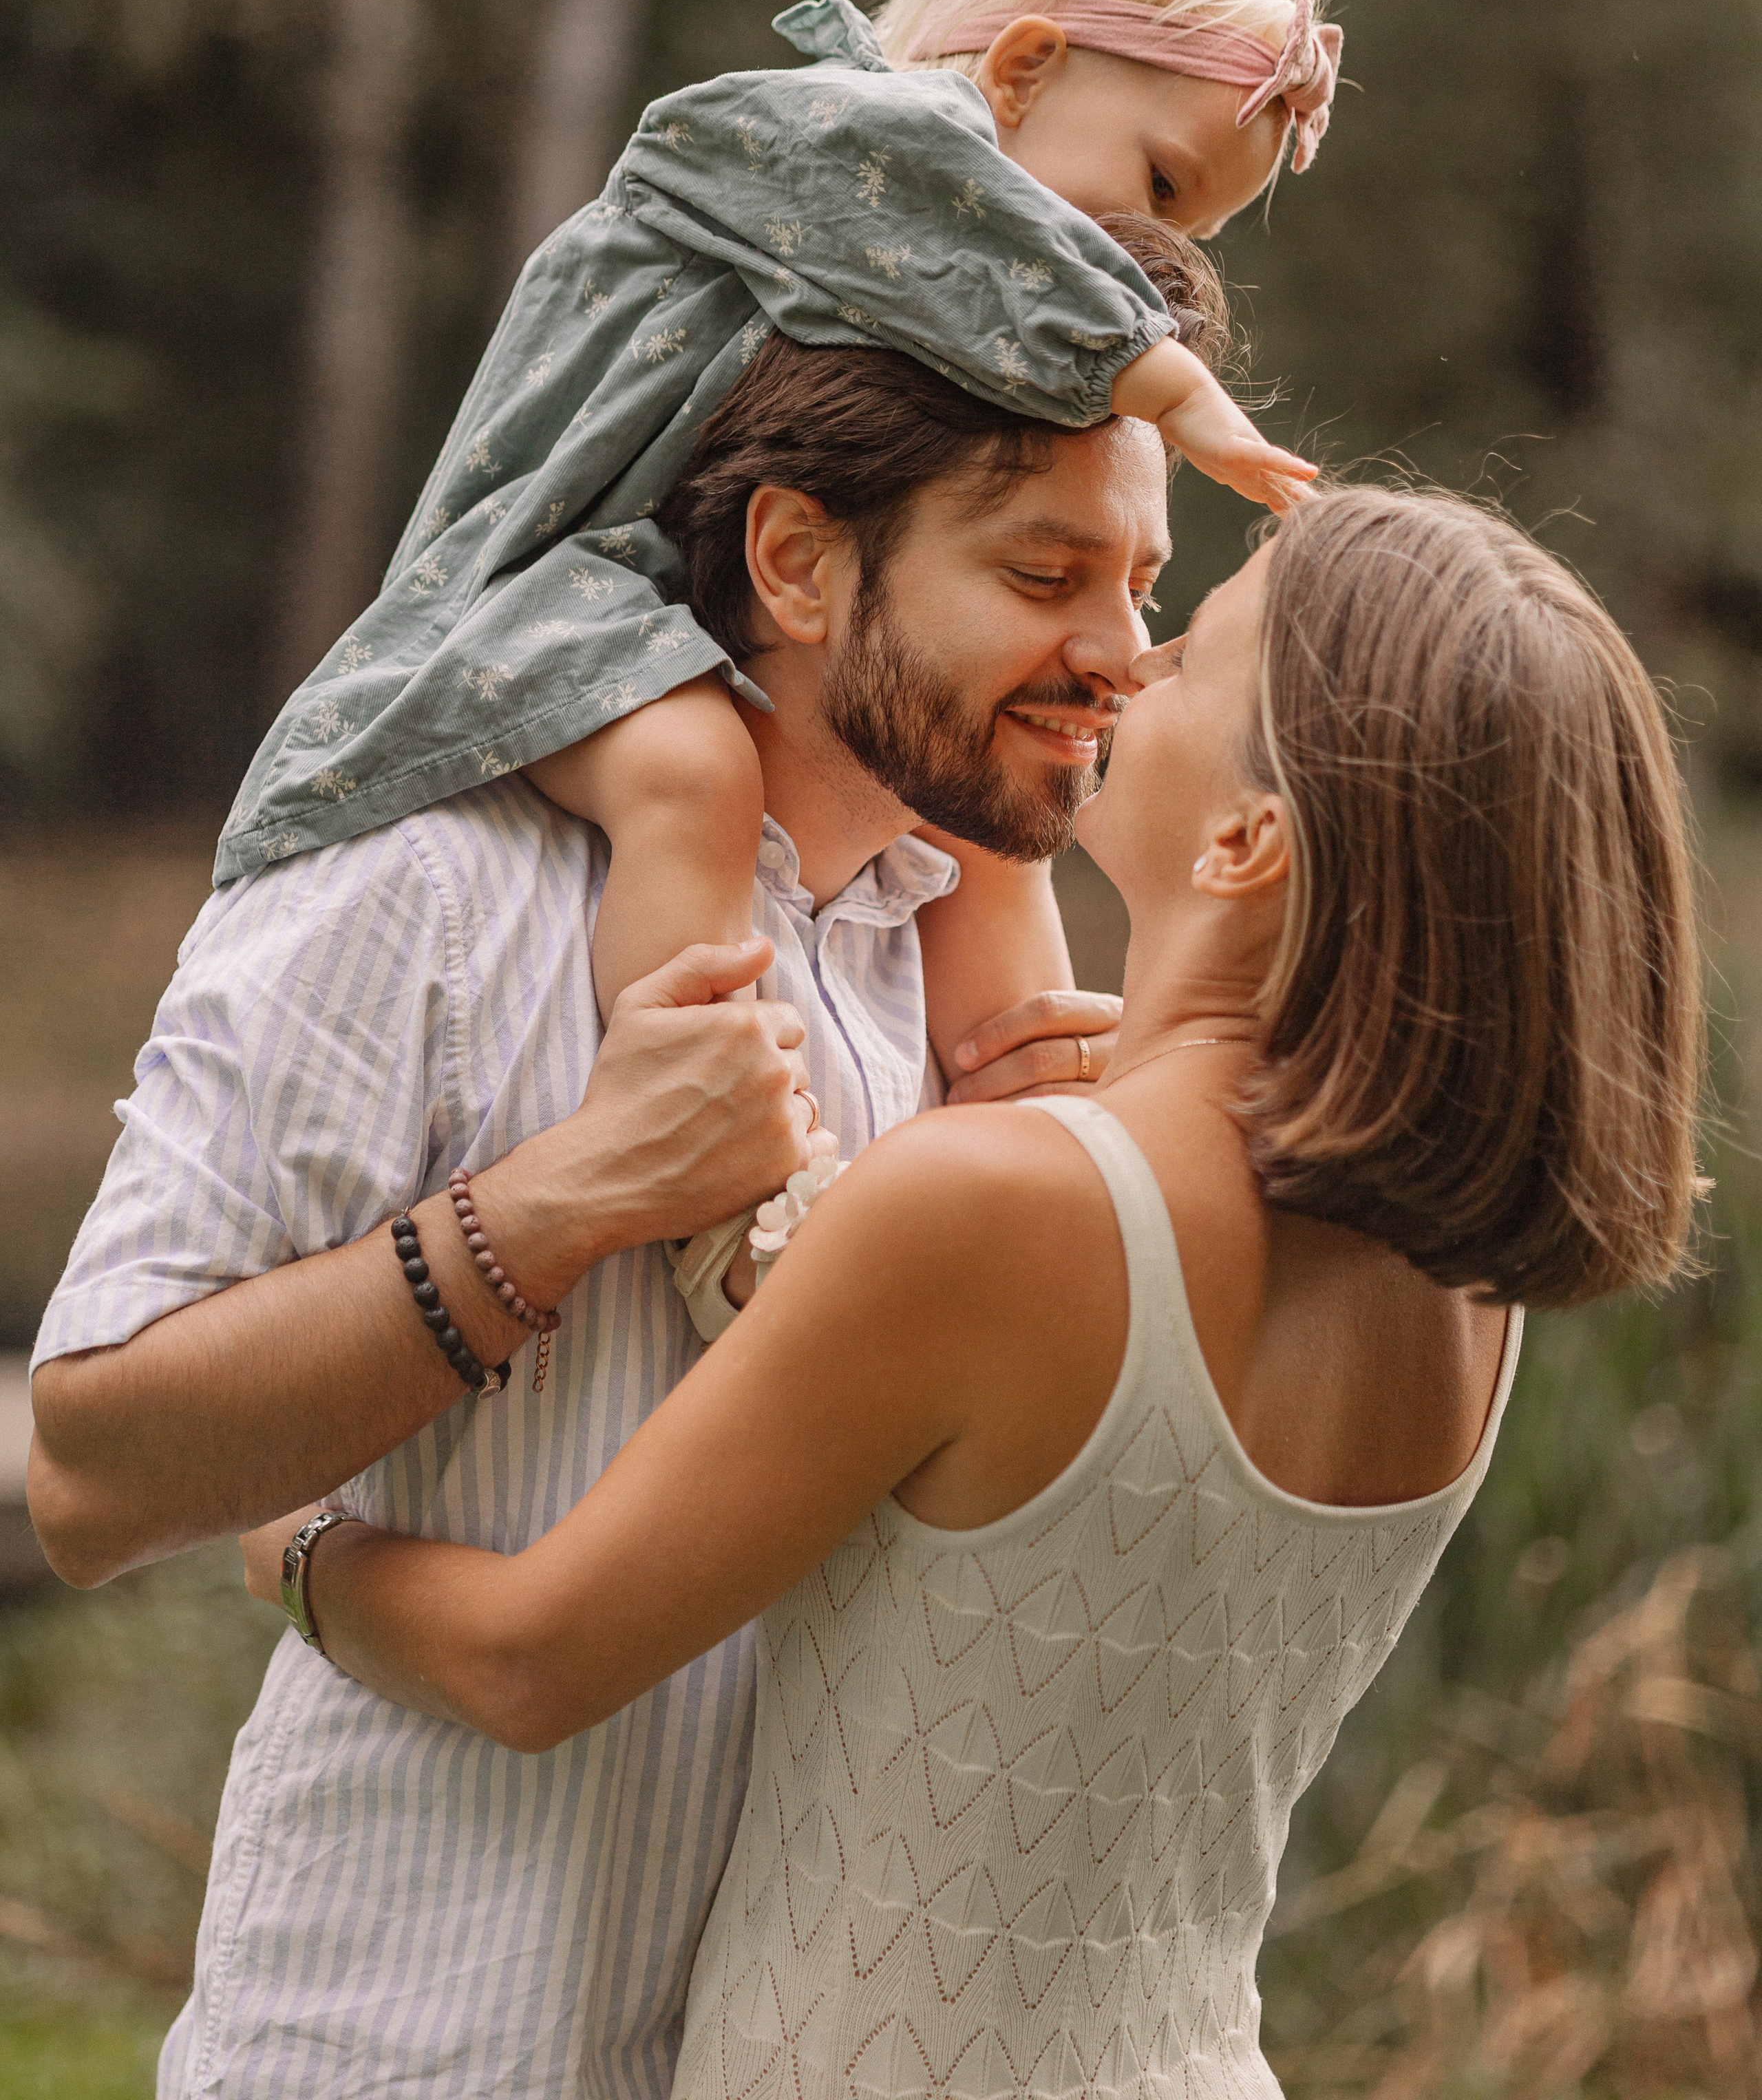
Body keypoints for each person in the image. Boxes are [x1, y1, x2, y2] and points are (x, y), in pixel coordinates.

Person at [244, 486, 1703, 2100]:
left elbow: (528, 1664)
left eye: (1190, 646)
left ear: (1244, 842)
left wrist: (294, 1537)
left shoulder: (1001, 1212)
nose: (1123, 669)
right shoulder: (1459, 1292)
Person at [28, 332, 1180, 2100]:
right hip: (416, 2052)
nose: (1115, 652)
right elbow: (91, 1482)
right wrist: (563, 1206)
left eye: (1140, 583)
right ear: (795, 561)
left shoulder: (964, 985)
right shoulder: (417, 884)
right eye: (1042, 575)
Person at [215, 0, 1335, 1224]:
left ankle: (1037, 1164)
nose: (1141, 263)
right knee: (685, 771)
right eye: (1158, 190)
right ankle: (719, 1173)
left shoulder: (949, 283)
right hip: (539, 593)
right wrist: (1174, 392)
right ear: (1022, 70)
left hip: (653, 607)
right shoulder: (815, 138)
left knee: (991, 817)